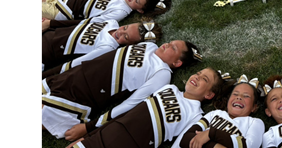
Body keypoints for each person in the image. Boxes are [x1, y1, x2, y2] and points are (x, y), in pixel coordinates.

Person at [41, 40, 203, 140]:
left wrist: (89, 127)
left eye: (173, 48)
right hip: (71, 76)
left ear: (177, 63)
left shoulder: (162, 73)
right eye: (170, 42)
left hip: (79, 95)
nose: (166, 44)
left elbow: (131, 104)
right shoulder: (149, 46)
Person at [65, 67, 229, 148]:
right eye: (198, 74)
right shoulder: (169, 88)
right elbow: (130, 111)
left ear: (209, 95)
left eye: (204, 80)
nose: (196, 77)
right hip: (105, 135)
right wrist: (88, 136)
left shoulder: (196, 115)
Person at [40, 18, 162, 79]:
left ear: (129, 45)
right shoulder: (111, 22)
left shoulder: (108, 48)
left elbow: (74, 64)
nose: (120, 32)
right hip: (48, 32)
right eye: (125, 28)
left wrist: (44, 76)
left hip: (46, 53)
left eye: (126, 37)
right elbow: (81, 23)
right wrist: (50, 23)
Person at [172, 73, 265, 148]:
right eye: (235, 94)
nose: (239, 98)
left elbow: (248, 145)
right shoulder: (214, 114)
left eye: (246, 96)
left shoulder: (255, 122)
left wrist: (211, 133)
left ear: (254, 107)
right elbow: (185, 138)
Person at [41, 0, 172, 22]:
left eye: (137, 1)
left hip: (62, 11)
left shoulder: (120, 12)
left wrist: (53, 24)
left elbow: (90, 22)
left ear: (140, 11)